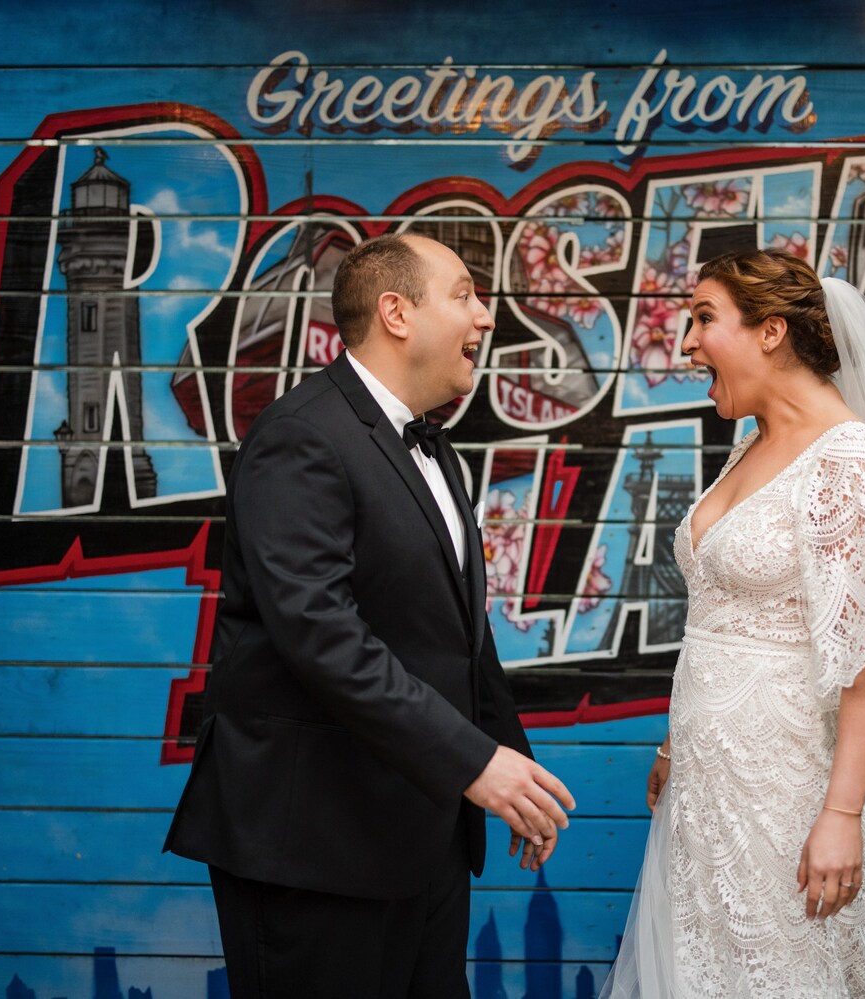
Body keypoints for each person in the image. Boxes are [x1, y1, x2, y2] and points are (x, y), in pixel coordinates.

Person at [164, 232, 576, 998]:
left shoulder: (435, 446)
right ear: (396, 312)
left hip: (425, 835)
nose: (485, 317)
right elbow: (321, 633)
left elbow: (457, 631)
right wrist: (473, 763)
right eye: (464, 295)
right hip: (316, 843)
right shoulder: (301, 436)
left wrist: (510, 764)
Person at [600, 249, 865, 998]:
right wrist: (677, 741)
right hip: (705, 788)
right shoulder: (751, 444)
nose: (686, 341)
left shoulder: (853, 463)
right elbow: (721, 611)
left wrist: (839, 814)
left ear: (771, 331)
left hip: (790, 792)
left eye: (705, 318)